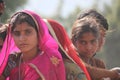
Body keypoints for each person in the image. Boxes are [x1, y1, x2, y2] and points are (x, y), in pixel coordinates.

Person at [0, 10, 65, 80]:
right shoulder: (12, 60)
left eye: (28, 32)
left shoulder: (50, 57)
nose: (22, 38)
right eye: (17, 33)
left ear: (39, 33)